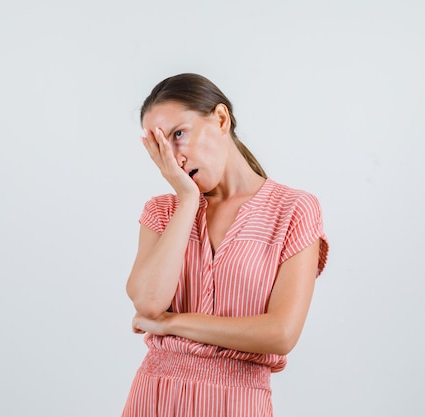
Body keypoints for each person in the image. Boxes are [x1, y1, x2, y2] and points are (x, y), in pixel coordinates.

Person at [121, 73, 329, 417]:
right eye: (160, 147)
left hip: (239, 402)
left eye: (178, 134)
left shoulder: (293, 210)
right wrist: (187, 199)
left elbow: (280, 333)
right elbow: (148, 303)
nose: (174, 158)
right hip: (153, 397)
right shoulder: (162, 211)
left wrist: (172, 324)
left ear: (220, 119)